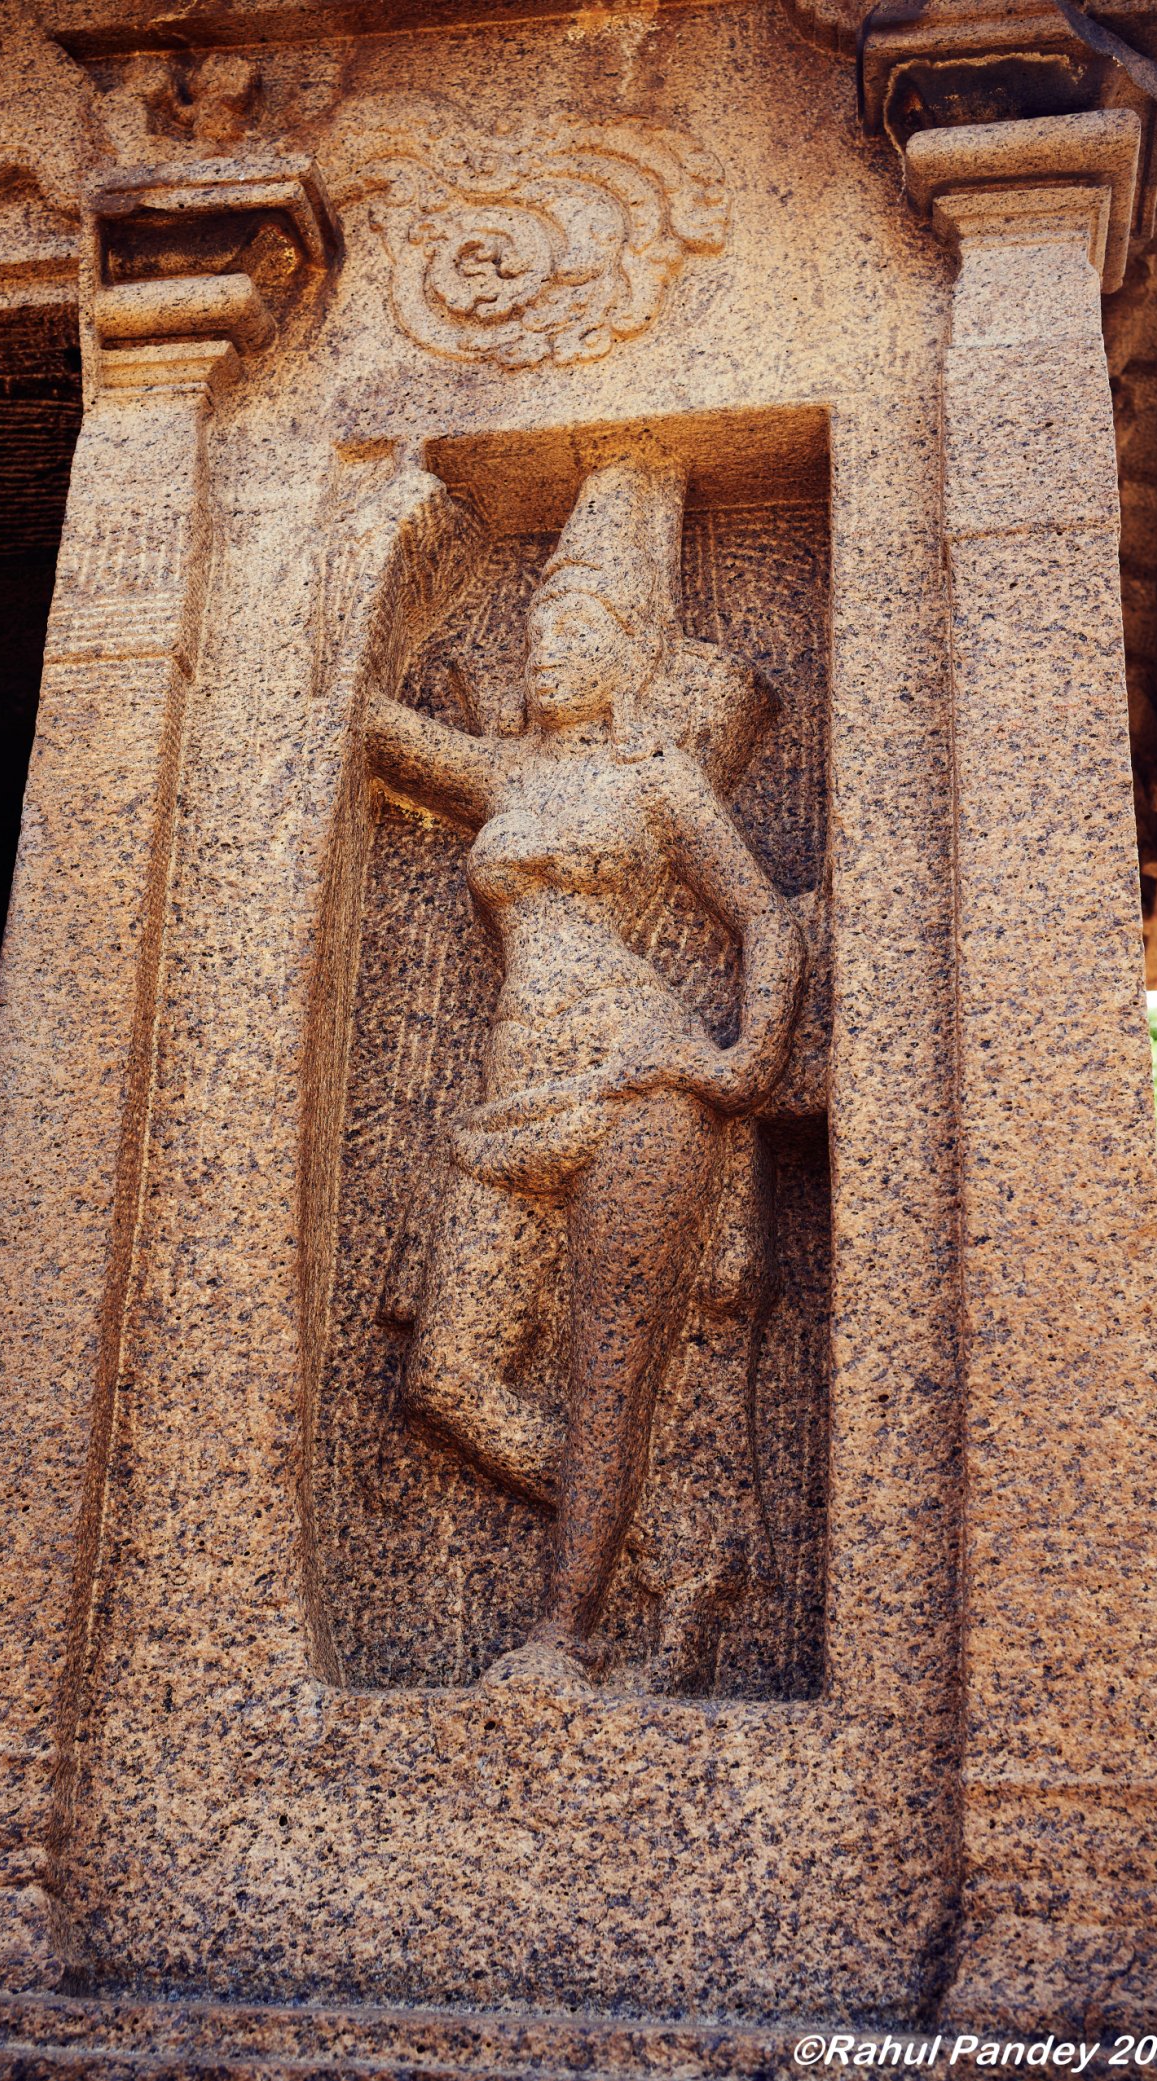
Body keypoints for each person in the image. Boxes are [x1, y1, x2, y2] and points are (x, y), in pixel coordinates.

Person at [366, 454, 805, 1686]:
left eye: (584, 631)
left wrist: (739, 1062)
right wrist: (385, 537)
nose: (552, 649)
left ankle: (563, 1634)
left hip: (634, 1080)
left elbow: (762, 919)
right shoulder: (508, 772)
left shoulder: (654, 775)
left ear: (635, 659)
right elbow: (366, 723)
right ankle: (670, 1546)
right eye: (541, 628)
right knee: (447, 1379)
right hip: (512, 1101)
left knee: (609, 1374)